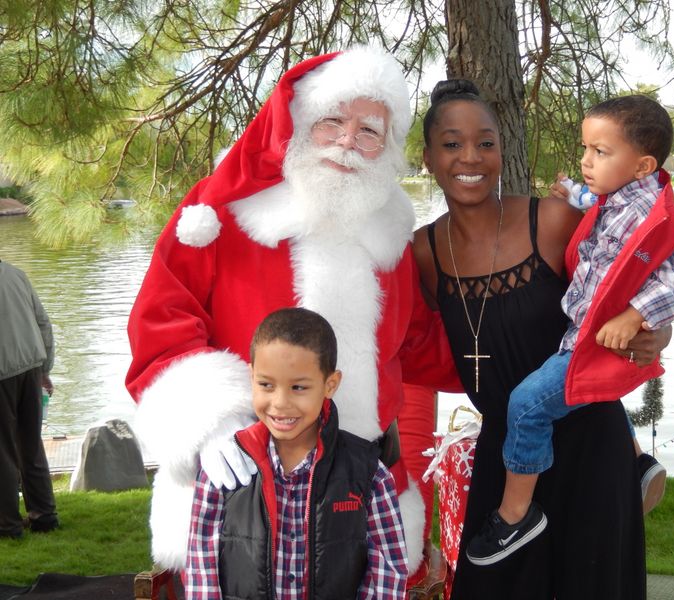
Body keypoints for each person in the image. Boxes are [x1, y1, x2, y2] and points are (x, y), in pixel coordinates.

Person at [126, 47, 459, 578]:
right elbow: (162, 322)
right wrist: (209, 423)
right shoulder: (219, 213)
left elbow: (417, 344)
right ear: (301, 122)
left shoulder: (391, 234)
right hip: (239, 482)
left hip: (363, 494)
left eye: (369, 131)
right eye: (332, 122)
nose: (349, 141)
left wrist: (524, 343)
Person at [412, 80, 674, 599]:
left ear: (501, 150)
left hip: (589, 448)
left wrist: (657, 331)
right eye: (452, 143)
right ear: (428, 157)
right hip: (508, 453)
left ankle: (633, 460)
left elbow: (628, 278)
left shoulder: (551, 221)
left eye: (486, 142)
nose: (471, 157)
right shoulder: (424, 252)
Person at [465, 94, 674, 566]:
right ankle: (638, 461)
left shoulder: (656, 216)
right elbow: (593, 205)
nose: (586, 160)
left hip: (596, 342)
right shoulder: (617, 198)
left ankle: (515, 516)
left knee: (527, 406)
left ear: (643, 165)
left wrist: (635, 317)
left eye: (600, 151)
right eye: (586, 149)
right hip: (582, 336)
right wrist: (570, 195)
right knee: (589, 393)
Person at [185, 307, 408, 599]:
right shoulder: (221, 470)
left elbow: (387, 573)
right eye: (266, 385)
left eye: (298, 387)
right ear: (251, 376)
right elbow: (202, 571)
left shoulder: (369, 473)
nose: (280, 403)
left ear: (330, 384)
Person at [0, 260, 59, 538]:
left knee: (3, 452)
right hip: (30, 367)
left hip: (3, 373)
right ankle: (44, 516)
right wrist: (44, 369)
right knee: (30, 445)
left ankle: (7, 525)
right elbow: (43, 323)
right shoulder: (16, 274)